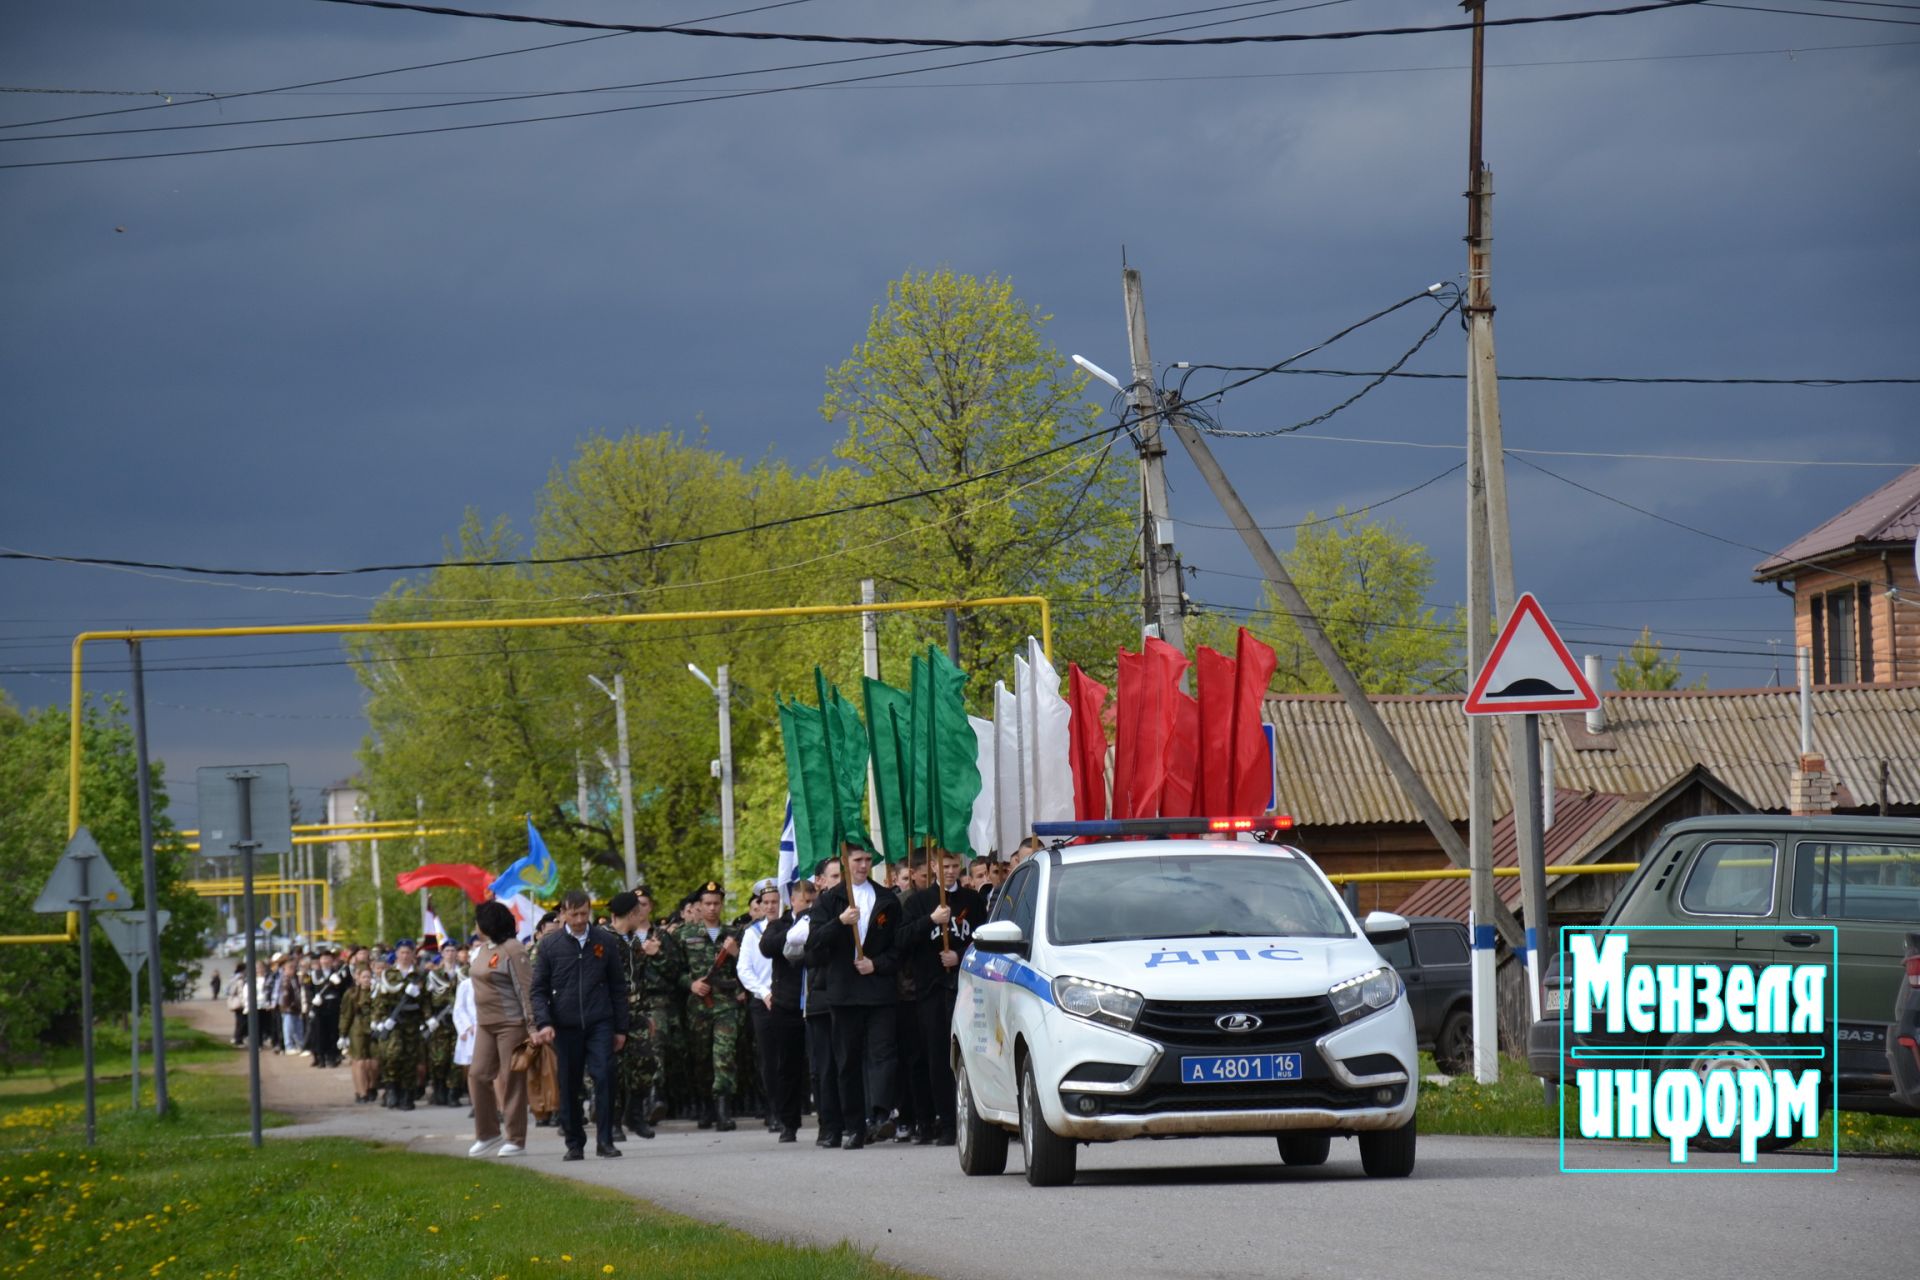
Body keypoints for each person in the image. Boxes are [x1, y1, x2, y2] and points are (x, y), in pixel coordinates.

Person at [806, 846, 904, 1150]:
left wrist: (876, 964)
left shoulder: (886, 898)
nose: (863, 865)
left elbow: (898, 948)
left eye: (867, 860)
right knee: (846, 1060)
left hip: (878, 990)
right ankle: (853, 1126)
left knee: (883, 1054)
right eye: (857, 860)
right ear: (845, 864)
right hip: (844, 992)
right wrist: (840, 922)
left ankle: (879, 1114)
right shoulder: (828, 900)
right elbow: (814, 944)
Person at [529, 889, 630, 1160]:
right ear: (563, 913)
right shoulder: (550, 946)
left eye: (584, 913)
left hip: (600, 1022)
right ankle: (574, 1142)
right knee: (569, 1083)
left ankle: (606, 1140)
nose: (579, 919)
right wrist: (544, 1022)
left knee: (605, 1076)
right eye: (573, 914)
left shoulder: (605, 941)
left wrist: (621, 1028)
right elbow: (538, 989)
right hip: (566, 1024)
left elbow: (618, 987)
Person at [901, 849, 986, 1146]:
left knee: (970, 1051)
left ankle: (975, 1116)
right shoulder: (918, 902)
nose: (950, 871)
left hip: (964, 986)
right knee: (938, 1056)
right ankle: (947, 1122)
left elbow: (983, 940)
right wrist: (930, 920)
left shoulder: (972, 901)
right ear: (934, 867)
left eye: (954, 866)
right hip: (931, 990)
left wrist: (959, 956)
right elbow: (902, 940)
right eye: (945, 866)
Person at [468, 900, 536, 1158]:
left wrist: (533, 1025)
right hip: (486, 1024)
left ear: (488, 923)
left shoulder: (513, 949)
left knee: (512, 1079)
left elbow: (525, 989)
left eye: (478, 921)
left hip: (512, 1023)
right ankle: (487, 1133)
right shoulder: (483, 949)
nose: (475, 926)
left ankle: (516, 1139)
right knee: (477, 1075)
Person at [679, 881, 743, 1131]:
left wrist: (736, 953)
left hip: (725, 1005)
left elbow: (748, 971)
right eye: (707, 903)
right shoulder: (684, 935)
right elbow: (674, 971)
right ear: (699, 906)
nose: (712, 908)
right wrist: (690, 984)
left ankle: (723, 1110)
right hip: (698, 1006)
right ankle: (705, 1107)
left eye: (716, 903)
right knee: (701, 1058)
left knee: (724, 1055)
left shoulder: (734, 934)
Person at [758, 877, 815, 1143]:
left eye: (813, 901)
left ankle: (827, 1120)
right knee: (787, 1067)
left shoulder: (820, 920)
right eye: (806, 900)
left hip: (814, 1002)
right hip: (787, 1004)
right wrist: (796, 928)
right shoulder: (778, 924)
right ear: (793, 900)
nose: (810, 906)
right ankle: (788, 1122)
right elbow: (767, 947)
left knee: (817, 1065)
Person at [796, 860, 844, 1147]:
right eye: (835, 876)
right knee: (825, 1067)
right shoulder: (814, 913)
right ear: (821, 881)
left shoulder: (857, 906)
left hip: (851, 997)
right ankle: (829, 1126)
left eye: (843, 875)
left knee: (848, 1064)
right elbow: (806, 951)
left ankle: (856, 1122)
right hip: (822, 998)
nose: (840, 881)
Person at [736, 878, 781, 1132]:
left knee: (791, 1057)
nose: (771, 906)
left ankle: (791, 1108)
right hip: (762, 1003)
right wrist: (764, 993)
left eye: (775, 901)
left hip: (787, 1000)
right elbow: (744, 969)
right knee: (768, 1059)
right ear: (760, 905)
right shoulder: (752, 933)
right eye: (766, 902)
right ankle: (774, 1109)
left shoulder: (791, 927)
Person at [371, 942, 428, 1110]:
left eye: (408, 952)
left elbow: (425, 1001)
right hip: (393, 1021)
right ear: (396, 954)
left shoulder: (419, 975)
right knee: (393, 1055)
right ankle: (391, 1089)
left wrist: (427, 1019)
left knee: (410, 1059)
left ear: (413, 955)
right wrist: (379, 1020)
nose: (404, 956)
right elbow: (380, 999)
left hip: (412, 1022)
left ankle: (407, 1095)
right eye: (402, 952)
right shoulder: (388, 974)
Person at [338, 963, 380, 1103]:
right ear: (358, 978)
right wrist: (343, 1033)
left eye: (369, 976)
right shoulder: (351, 994)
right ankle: (361, 1093)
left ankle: (372, 1086)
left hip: (374, 1029)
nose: (367, 979)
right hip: (357, 1029)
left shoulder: (377, 992)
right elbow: (346, 1014)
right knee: (360, 1062)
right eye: (364, 977)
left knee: (374, 1063)